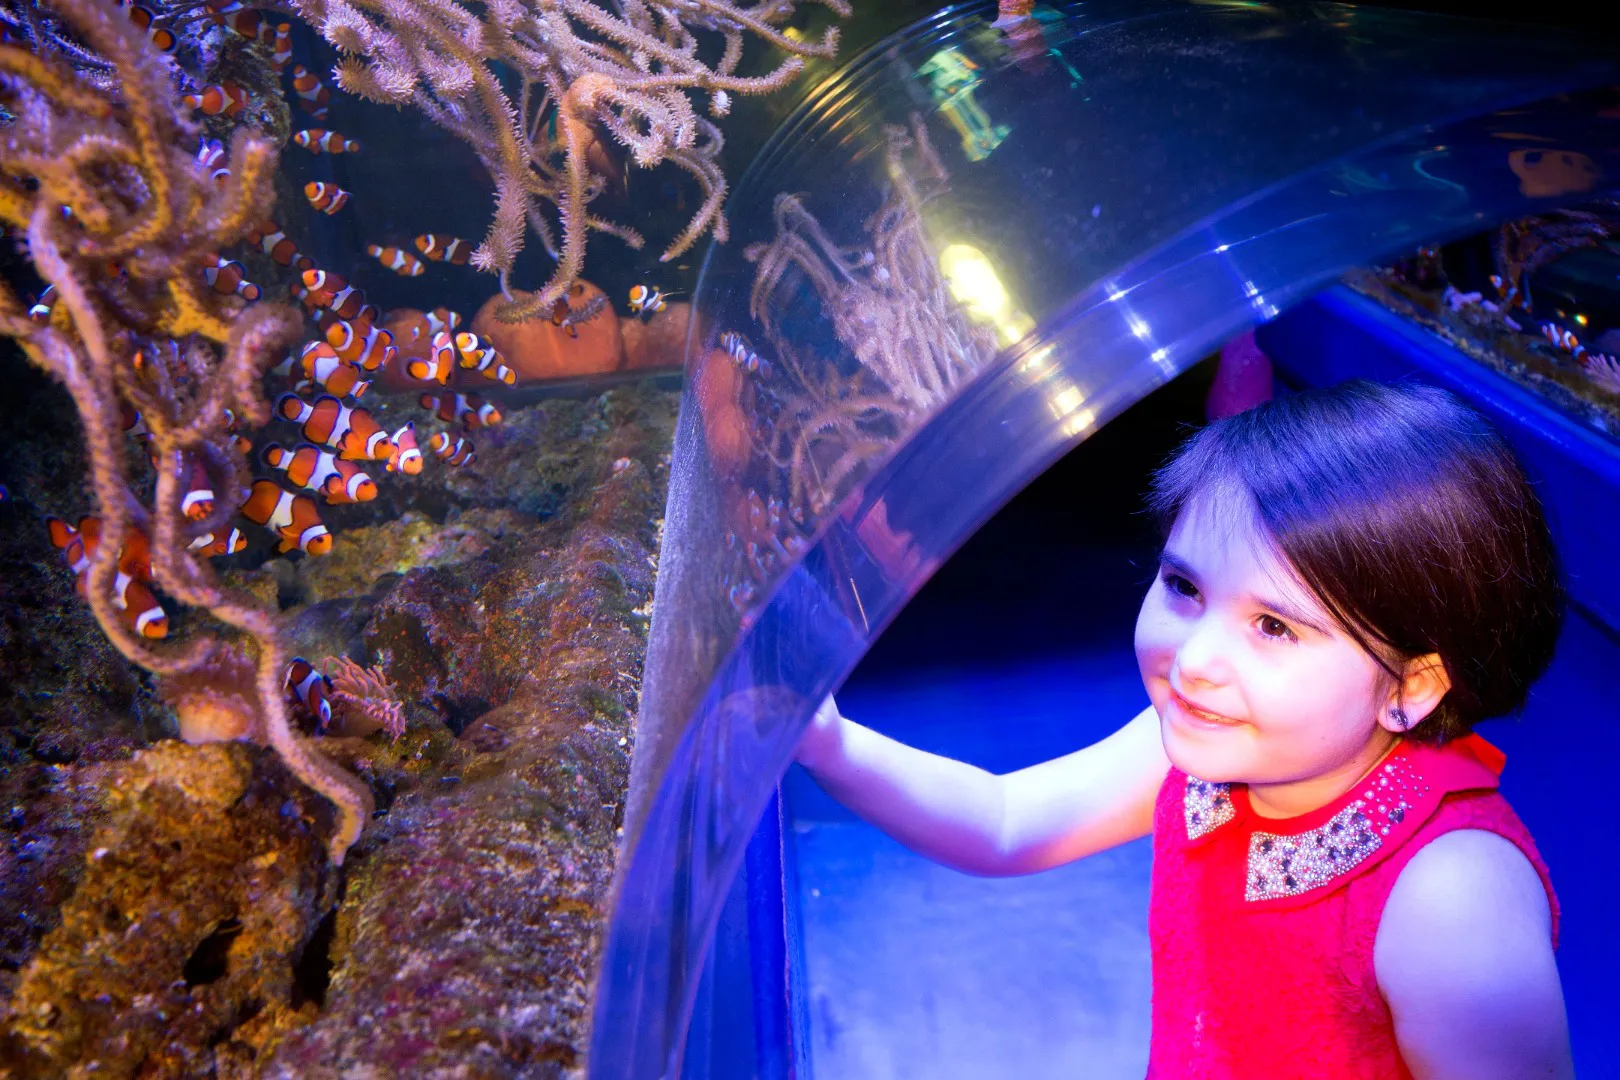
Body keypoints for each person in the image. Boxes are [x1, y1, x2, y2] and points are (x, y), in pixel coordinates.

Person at [794, 379, 1574, 1079]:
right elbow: (1007, 823)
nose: (1195, 659)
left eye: (1273, 626)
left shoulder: (1452, 898)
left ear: (1410, 687)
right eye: (1184, 585)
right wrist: (827, 742)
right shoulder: (1207, 749)